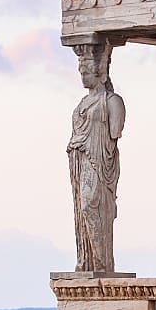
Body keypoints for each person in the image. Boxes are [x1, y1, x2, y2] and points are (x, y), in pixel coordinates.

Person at [67, 44, 125, 272]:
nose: (82, 76)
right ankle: (89, 261)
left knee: (92, 204)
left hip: (99, 161)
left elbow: (115, 132)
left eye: (86, 71)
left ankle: (103, 262)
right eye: (81, 72)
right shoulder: (81, 103)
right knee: (82, 208)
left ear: (100, 73)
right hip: (80, 159)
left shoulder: (112, 101)